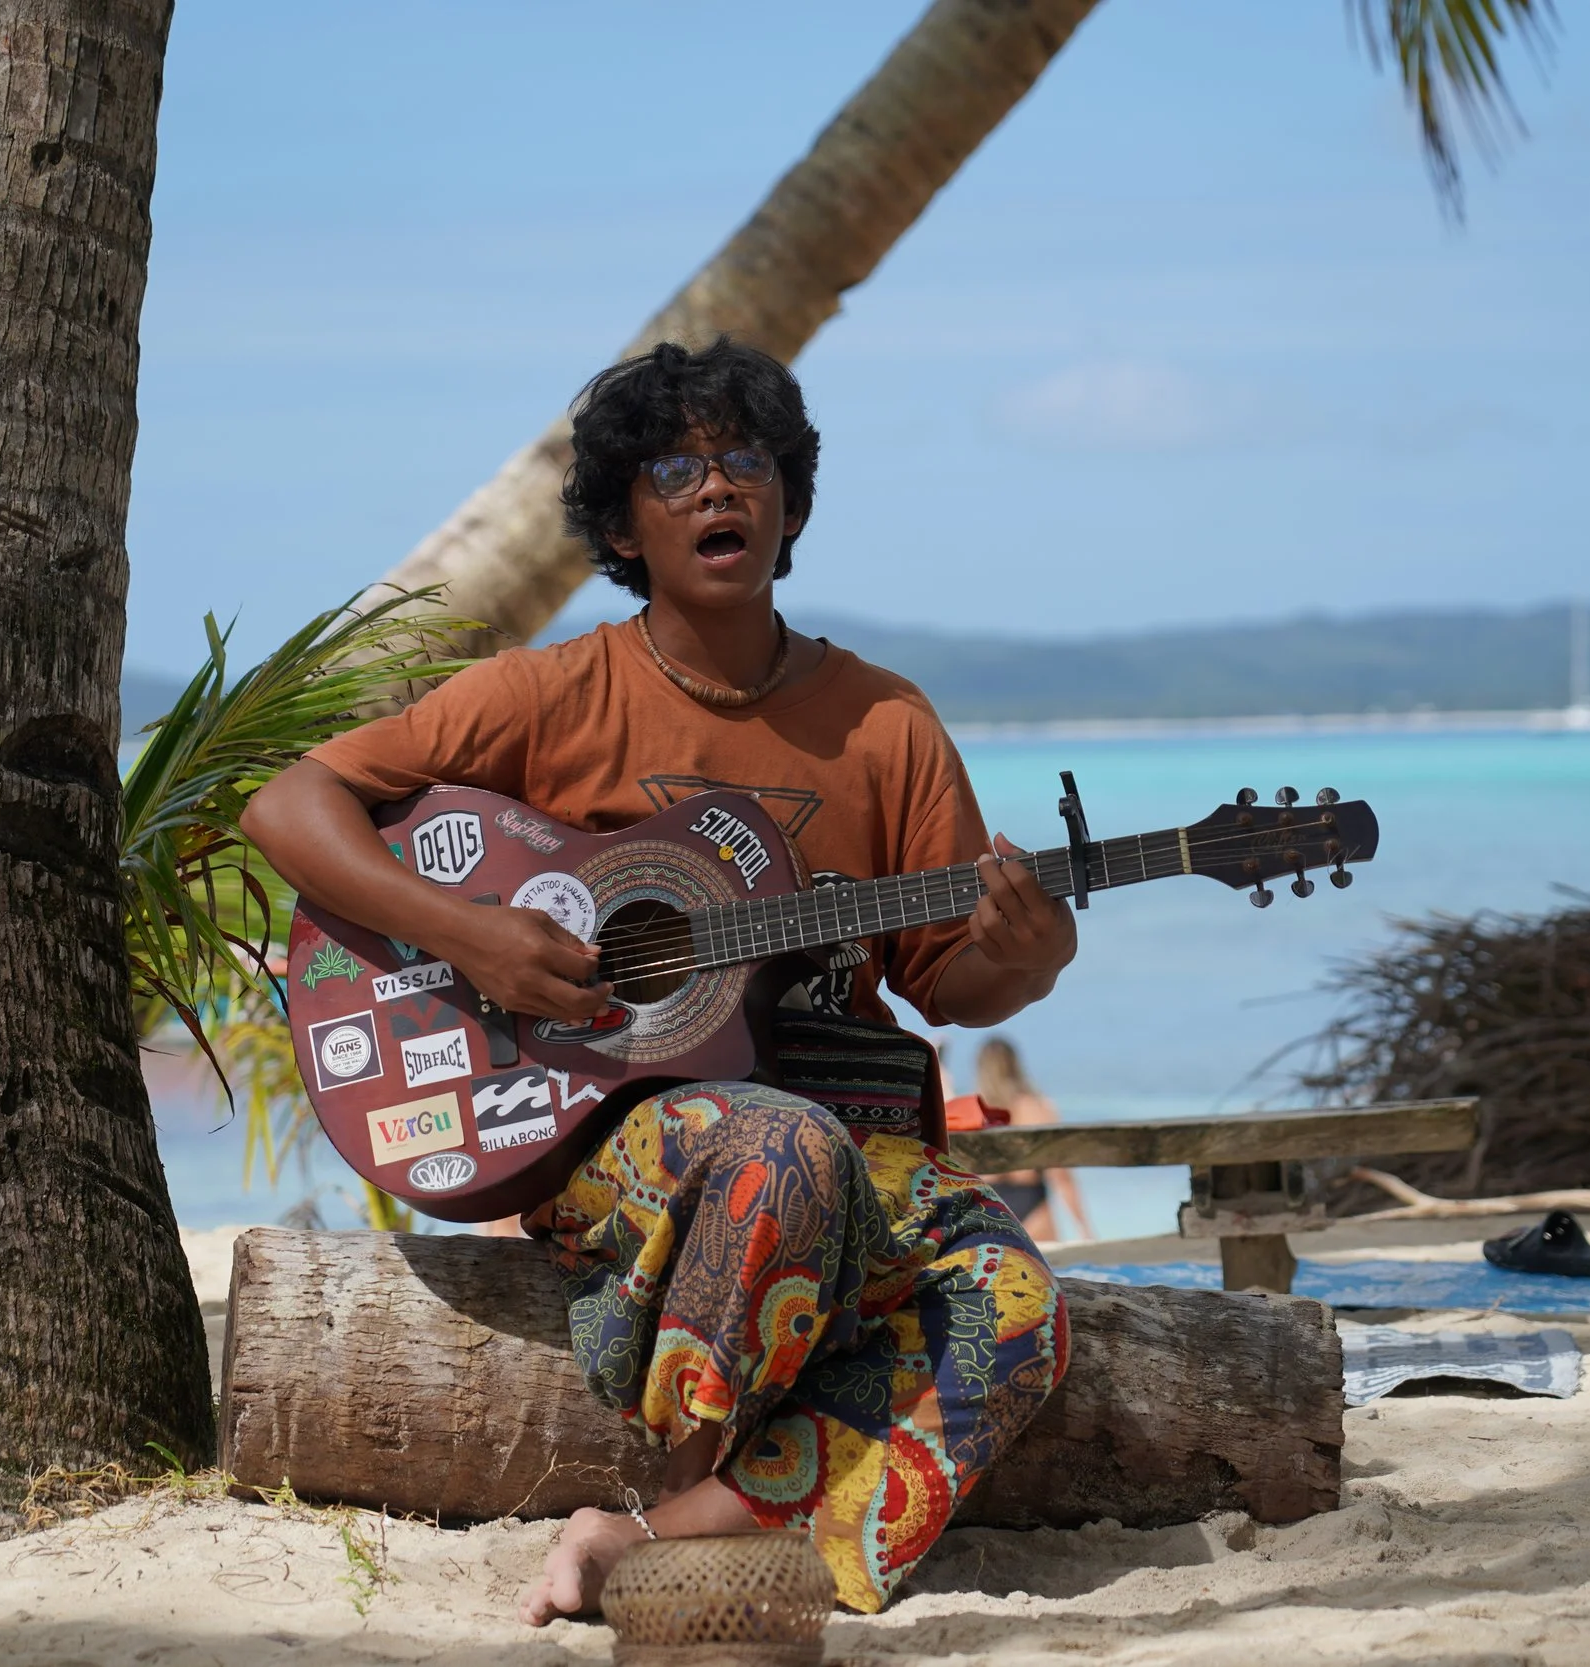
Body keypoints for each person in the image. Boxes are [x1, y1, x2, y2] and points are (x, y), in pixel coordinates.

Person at [240, 339, 1076, 1621]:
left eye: (745, 461)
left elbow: (946, 985)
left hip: (854, 1132)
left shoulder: (884, 721)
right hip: (619, 1133)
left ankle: (651, 1530)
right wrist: (468, 932)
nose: (714, 488)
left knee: (1017, 1300)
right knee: (775, 1146)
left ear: (787, 502)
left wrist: (1023, 957)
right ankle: (709, 1514)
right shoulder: (548, 692)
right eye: (674, 468)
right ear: (623, 522)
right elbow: (292, 802)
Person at [973, 1038, 1094, 1243]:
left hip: (988, 1209)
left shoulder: (972, 1110)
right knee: (1048, 1271)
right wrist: (1084, 1228)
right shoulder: (1037, 1107)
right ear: (1015, 1066)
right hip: (1032, 1206)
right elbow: (1060, 1174)